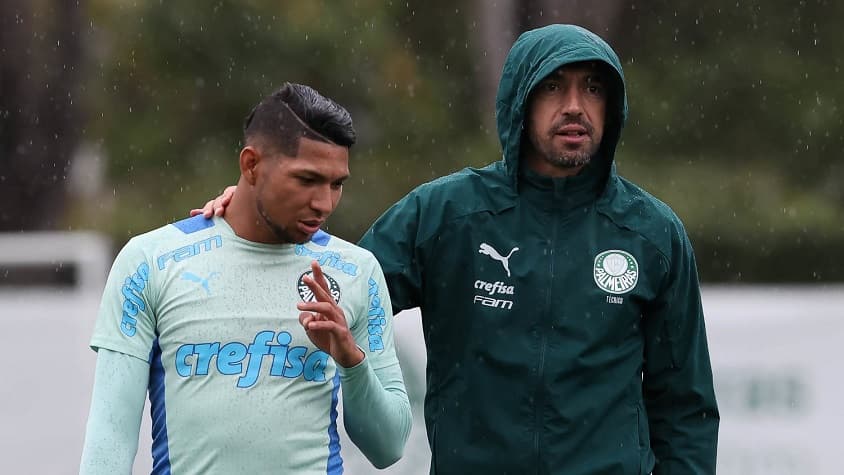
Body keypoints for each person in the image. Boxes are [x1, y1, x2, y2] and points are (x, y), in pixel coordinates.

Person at [197, 24, 719, 474]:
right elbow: (335, 287)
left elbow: (686, 408)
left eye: (594, 89)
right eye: (554, 87)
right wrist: (252, 206)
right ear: (521, 97)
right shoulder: (447, 214)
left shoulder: (651, 234)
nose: (575, 107)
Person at [80, 83, 411, 474]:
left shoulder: (356, 271)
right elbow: (109, 443)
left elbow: (388, 446)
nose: (324, 203)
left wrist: (351, 360)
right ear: (251, 165)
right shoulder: (150, 262)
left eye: (336, 184)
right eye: (307, 180)